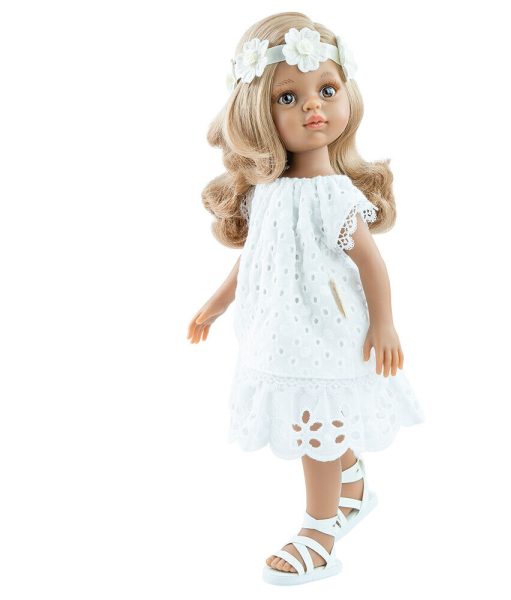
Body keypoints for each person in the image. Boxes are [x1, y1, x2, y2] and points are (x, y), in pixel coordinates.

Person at [187, 12, 425, 585]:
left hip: (327, 331)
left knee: (315, 426)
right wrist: (216, 304)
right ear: (256, 113)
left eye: (327, 90)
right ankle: (352, 485)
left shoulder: (334, 195)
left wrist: (385, 324)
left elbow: (371, 262)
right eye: (287, 97)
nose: (313, 106)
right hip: (278, 330)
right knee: (313, 421)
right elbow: (255, 258)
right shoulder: (266, 193)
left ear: (347, 94)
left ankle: (319, 532)